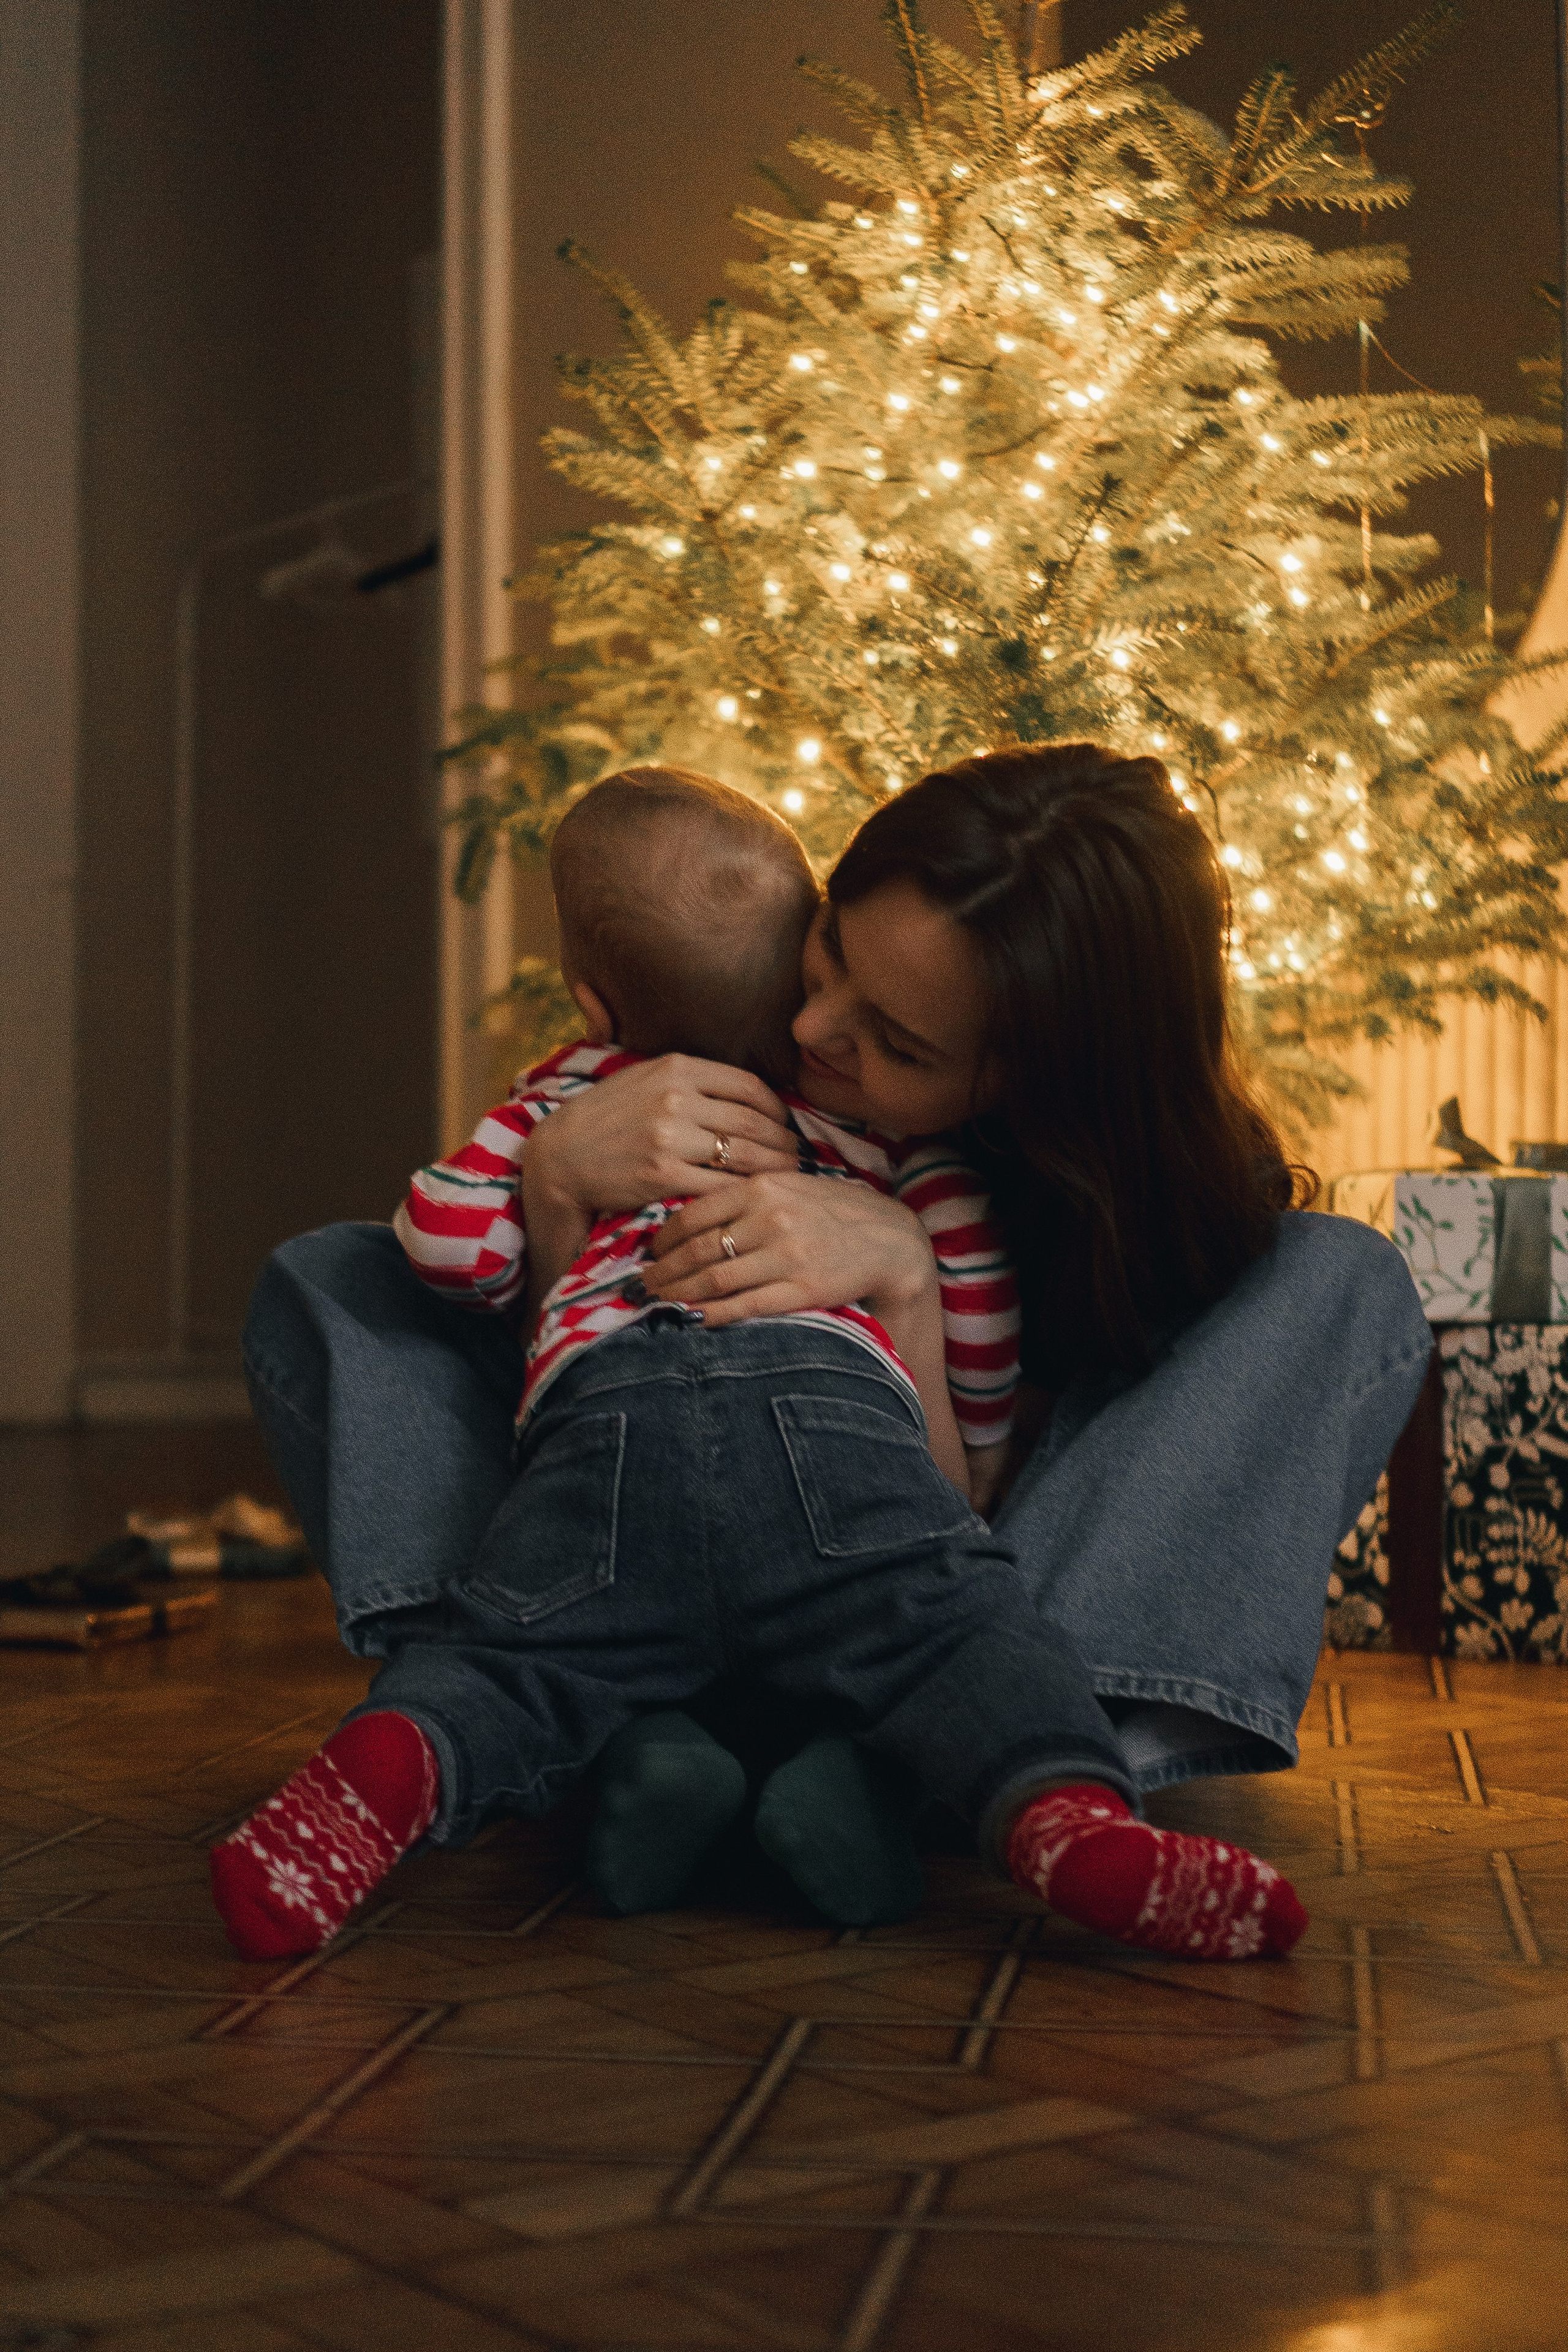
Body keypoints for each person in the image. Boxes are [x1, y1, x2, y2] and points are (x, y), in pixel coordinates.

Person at [214, 755, 1318, 1967]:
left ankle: (565, 1740)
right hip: (801, 1531)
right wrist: (555, 1187)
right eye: (828, 950)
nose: (803, 1030)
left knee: (1333, 1277)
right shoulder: (703, 1061)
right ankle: (998, 1788)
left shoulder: (1053, 1196)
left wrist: (900, 1273)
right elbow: (538, 1342)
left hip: (734, 1530)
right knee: (332, 1272)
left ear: (1026, 1078)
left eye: (891, 1041)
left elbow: (966, 1500)